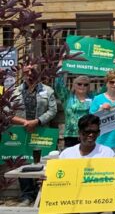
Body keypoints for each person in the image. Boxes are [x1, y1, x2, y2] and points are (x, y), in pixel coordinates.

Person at [59, 114, 115, 214]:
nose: (91, 135)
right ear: (79, 133)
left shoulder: (107, 153)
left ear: (99, 133)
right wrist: (47, 181)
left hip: (101, 203)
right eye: (87, 132)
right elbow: (59, 178)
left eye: (95, 132)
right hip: (73, 203)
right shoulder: (67, 154)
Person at [10, 62, 57, 206]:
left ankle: (42, 194)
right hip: (22, 133)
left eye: (33, 71)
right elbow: (7, 112)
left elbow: (52, 110)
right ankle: (27, 196)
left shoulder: (48, 91)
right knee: (23, 162)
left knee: (42, 163)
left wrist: (36, 121)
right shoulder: (14, 92)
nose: (30, 74)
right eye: (27, 71)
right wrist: (25, 122)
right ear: (22, 72)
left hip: (41, 132)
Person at [89, 70, 115, 156]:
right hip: (102, 140)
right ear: (107, 82)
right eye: (112, 82)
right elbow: (90, 119)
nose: (114, 84)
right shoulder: (98, 99)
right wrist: (101, 109)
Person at [54, 74, 94, 147]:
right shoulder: (67, 97)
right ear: (74, 85)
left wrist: (111, 67)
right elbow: (58, 85)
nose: (82, 86)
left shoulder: (93, 98)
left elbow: (105, 89)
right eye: (79, 84)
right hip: (70, 135)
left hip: (89, 135)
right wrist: (60, 69)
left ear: (89, 86)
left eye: (85, 84)